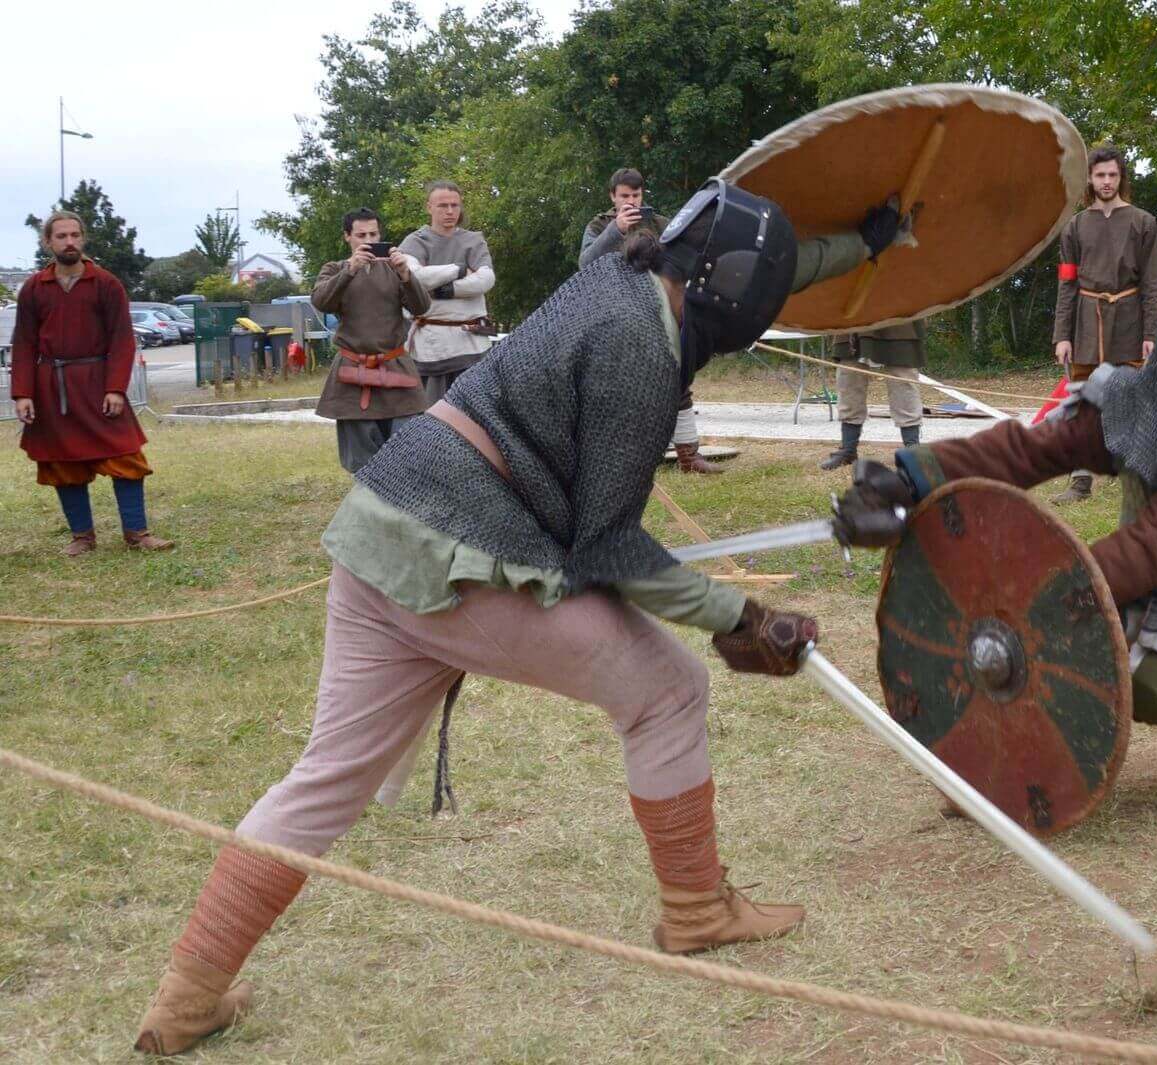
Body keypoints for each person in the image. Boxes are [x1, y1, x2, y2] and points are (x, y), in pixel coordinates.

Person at [132, 181, 902, 1056]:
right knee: (670, 691)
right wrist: (739, 615)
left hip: (381, 530)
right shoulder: (638, 347)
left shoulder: (618, 269)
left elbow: (767, 266)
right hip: (466, 553)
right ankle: (697, 910)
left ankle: (185, 998)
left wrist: (865, 243)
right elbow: (607, 546)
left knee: (323, 780)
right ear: (727, 293)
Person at [836, 260, 1157, 827]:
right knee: (1052, 627)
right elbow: (1030, 451)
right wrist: (912, 480)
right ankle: (1011, 770)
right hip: (1144, 578)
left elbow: (1155, 549)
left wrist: (1050, 589)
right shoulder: (1130, 402)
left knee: (1122, 652)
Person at [9, 210, 173, 556]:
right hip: (52, 388)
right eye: (61, 236)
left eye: (74, 235)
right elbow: (23, 342)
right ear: (48, 242)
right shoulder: (35, 288)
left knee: (126, 457)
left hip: (98, 384)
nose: (69, 242)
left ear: (83, 238)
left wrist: (115, 388)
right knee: (63, 463)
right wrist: (23, 393)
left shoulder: (106, 284)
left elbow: (122, 340)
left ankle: (137, 533)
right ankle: (82, 537)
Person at [581, 167, 723, 474]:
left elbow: (687, 259)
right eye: (624, 195)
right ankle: (625, 460)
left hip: (661, 311)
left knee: (678, 378)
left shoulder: (660, 223)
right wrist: (616, 230)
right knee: (622, 387)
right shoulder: (599, 225)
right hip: (617, 315)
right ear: (613, 196)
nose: (631, 201)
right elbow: (585, 263)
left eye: (636, 194)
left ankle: (689, 456)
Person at [1051, 144, 1157, 502]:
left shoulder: (1142, 222)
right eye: (1100, 175)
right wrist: (1062, 335)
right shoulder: (1074, 227)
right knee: (1082, 403)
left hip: (1129, 320)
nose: (1106, 181)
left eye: (1112, 175)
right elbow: (1067, 284)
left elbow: (1153, 282)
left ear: (1121, 177)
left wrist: (1151, 332)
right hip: (1086, 322)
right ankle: (1080, 482)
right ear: (1089, 178)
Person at [310, 208, 432, 474]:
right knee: (362, 464)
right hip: (352, 374)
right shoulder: (334, 269)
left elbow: (422, 307)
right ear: (347, 236)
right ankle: (369, 501)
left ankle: (402, 499)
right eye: (361, 235)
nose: (368, 240)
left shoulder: (394, 269)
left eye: (373, 234)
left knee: (407, 455)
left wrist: (406, 275)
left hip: (396, 370)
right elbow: (321, 301)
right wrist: (350, 270)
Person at [399, 180, 497, 401]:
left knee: (475, 411)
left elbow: (485, 280)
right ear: (429, 207)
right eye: (443, 205)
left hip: (473, 345)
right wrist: (459, 269)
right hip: (432, 348)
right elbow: (415, 277)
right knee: (434, 413)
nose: (450, 211)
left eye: (455, 205)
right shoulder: (415, 242)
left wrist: (444, 291)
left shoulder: (473, 241)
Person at [818, 322, 926, 471]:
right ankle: (848, 450)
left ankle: (913, 452)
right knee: (849, 378)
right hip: (854, 319)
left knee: (903, 381)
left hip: (898, 317)